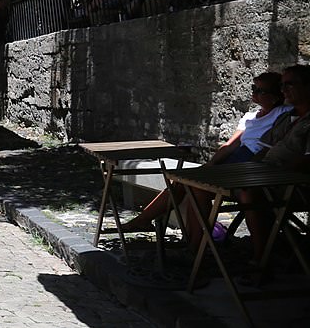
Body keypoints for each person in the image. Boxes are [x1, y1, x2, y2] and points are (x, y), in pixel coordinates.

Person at [125, 72, 290, 233]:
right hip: (237, 158)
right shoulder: (250, 117)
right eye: (254, 88)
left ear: (275, 97)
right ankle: (147, 221)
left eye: (260, 91)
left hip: (253, 161)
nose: (254, 93)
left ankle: (189, 242)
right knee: (184, 181)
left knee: (195, 187)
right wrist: (210, 165)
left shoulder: (282, 113)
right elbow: (230, 145)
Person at [241, 64, 310, 258]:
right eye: (282, 85)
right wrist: (249, 169)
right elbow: (265, 149)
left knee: (249, 194)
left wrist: (269, 176)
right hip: (267, 177)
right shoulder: (288, 117)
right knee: (199, 187)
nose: (283, 90)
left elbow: (306, 162)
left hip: (293, 185)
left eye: (290, 84)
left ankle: (261, 258)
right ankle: (197, 251)